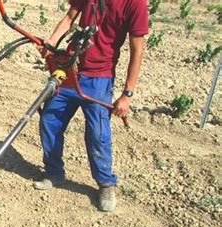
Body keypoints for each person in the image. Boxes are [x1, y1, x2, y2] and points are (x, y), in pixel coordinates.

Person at [34, 0, 148, 212]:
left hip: (100, 78)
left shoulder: (135, 3)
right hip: (71, 68)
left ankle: (105, 184)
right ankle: (53, 173)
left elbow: (137, 50)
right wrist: (50, 42)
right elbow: (69, 18)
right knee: (50, 120)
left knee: (98, 133)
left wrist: (127, 95)